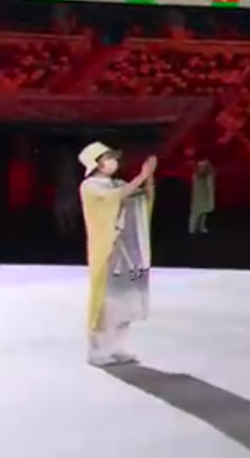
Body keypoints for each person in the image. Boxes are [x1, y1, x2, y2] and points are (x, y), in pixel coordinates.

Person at [77, 142, 157, 367]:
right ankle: (97, 350)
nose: (114, 162)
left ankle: (118, 347)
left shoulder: (118, 183)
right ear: (96, 164)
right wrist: (142, 176)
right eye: (108, 157)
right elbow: (116, 197)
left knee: (122, 300)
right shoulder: (90, 186)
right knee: (105, 302)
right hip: (106, 250)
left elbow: (139, 197)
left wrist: (149, 178)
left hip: (124, 251)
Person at [188, 158, 215, 234]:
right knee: (195, 213)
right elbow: (195, 186)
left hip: (206, 196)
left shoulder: (209, 175)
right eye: (201, 166)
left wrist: (210, 195)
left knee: (204, 213)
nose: (202, 168)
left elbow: (210, 186)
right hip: (198, 196)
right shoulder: (196, 175)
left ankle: (201, 227)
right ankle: (192, 229)